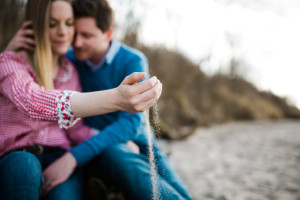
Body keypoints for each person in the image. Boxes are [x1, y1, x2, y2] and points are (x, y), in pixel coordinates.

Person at [7, 0, 191, 199]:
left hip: (137, 140)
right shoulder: (71, 59)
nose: (76, 42)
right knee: (117, 155)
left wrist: (72, 158)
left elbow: (130, 124)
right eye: (75, 33)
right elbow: (29, 69)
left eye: (86, 36)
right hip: (96, 146)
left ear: (108, 34)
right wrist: (10, 50)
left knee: (178, 192)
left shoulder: (131, 60)